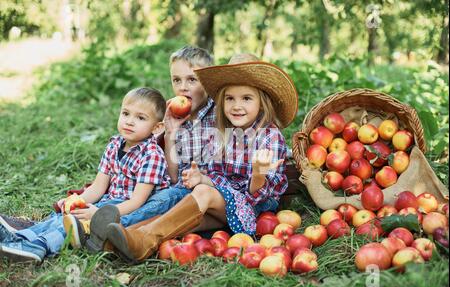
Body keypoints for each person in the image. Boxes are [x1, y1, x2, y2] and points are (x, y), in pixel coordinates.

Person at [104, 54, 299, 263]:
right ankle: (118, 239)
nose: (236, 105)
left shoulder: (269, 136)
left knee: (202, 193)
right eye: (229, 98)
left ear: (262, 102)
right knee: (177, 219)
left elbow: (257, 196)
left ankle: (140, 241)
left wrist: (258, 174)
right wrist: (201, 178)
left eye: (246, 98)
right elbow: (217, 176)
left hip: (253, 212)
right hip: (224, 206)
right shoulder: (222, 133)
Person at [0, 87, 170, 262]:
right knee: (65, 215)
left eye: (140, 118)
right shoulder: (114, 144)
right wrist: (76, 202)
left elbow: (137, 201)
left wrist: (99, 214)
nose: (129, 121)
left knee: (76, 224)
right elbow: (98, 187)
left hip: (128, 211)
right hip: (108, 202)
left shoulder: (151, 154)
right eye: (126, 113)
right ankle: (21, 237)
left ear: (157, 127)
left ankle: (40, 246)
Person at [86, 45, 220, 253]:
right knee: (162, 199)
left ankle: (108, 226)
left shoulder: (220, 114)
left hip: (212, 193)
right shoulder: (175, 115)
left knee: (164, 200)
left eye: (192, 80)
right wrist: (171, 133)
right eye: (177, 80)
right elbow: (173, 177)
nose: (183, 87)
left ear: (208, 82)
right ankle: (114, 233)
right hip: (183, 191)